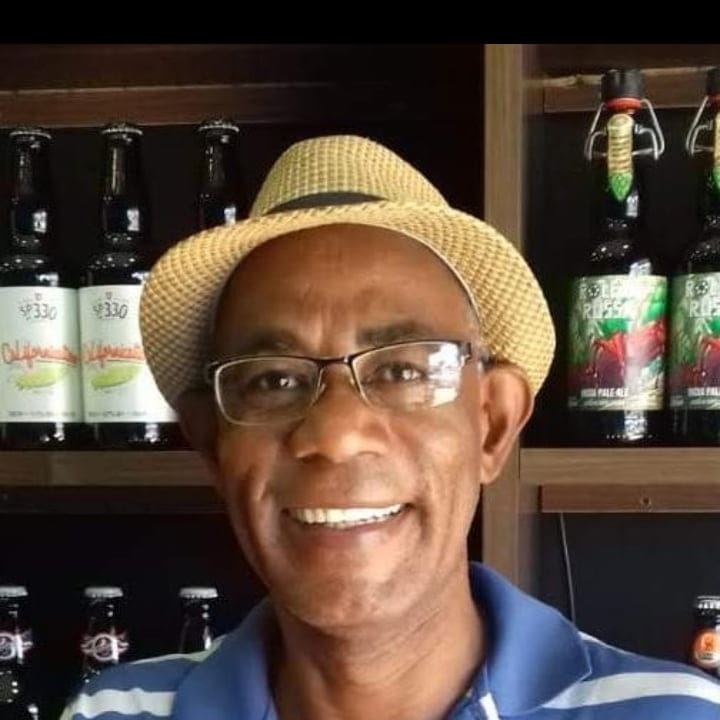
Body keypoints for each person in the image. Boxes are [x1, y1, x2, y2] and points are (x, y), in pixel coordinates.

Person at [62, 135, 720, 719]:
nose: (335, 434)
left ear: (492, 425)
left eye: (403, 370)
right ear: (211, 444)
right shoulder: (116, 712)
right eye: (273, 380)